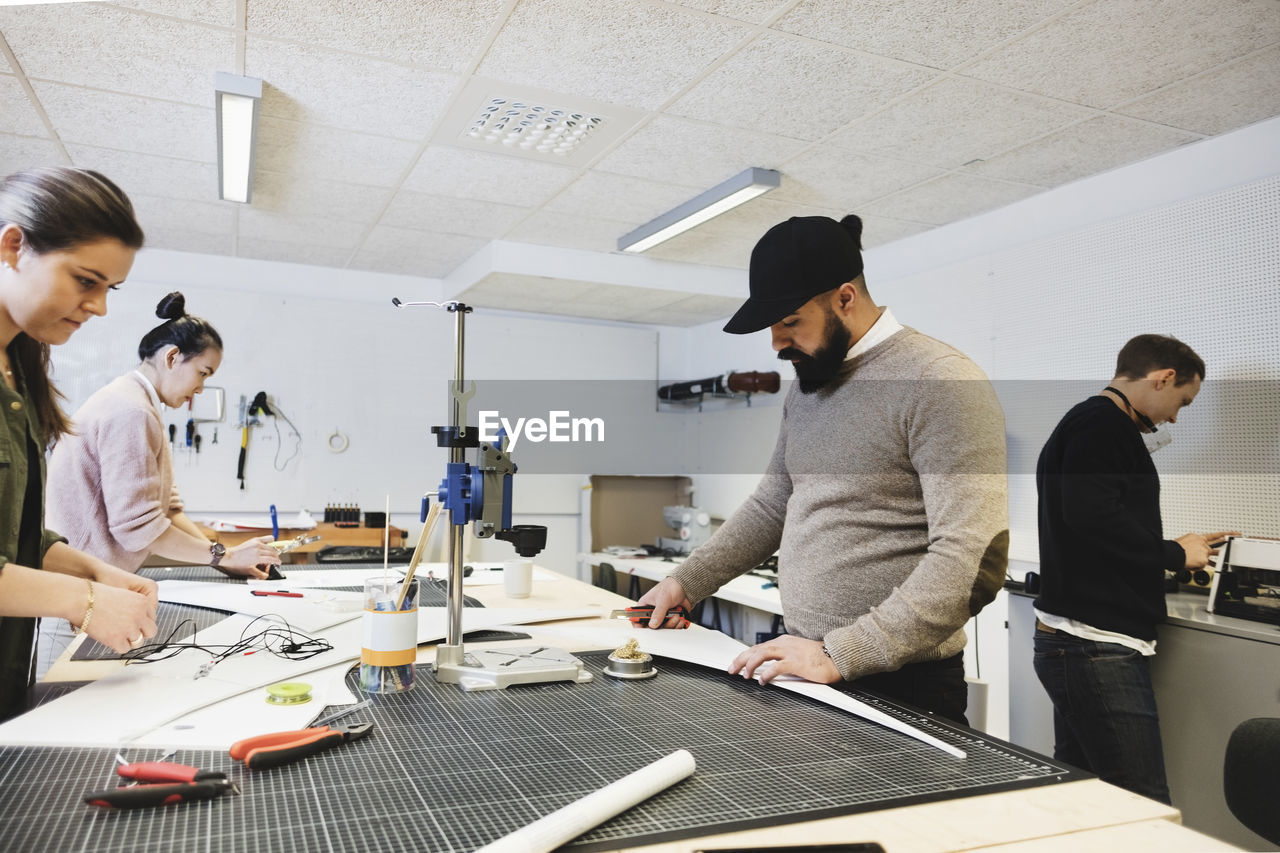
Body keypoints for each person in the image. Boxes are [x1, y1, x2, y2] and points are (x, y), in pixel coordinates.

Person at [639, 215, 1008, 725]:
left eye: (790, 322)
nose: (776, 343)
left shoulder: (939, 382)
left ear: (845, 298)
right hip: (806, 661)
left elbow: (975, 559)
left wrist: (840, 654)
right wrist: (688, 581)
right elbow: (774, 504)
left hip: (900, 681)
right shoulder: (809, 386)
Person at [1032, 333, 1237, 803]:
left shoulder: (1094, 425)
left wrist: (1178, 549)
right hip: (1095, 647)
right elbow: (1092, 518)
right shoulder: (1100, 427)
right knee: (1144, 806)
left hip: (1083, 643)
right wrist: (1172, 554)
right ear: (1164, 378)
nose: (1174, 417)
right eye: (1181, 401)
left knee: (1086, 799)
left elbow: (1098, 516)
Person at [0, 166, 159, 720]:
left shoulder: (21, 366)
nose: (99, 307)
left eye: (108, 289)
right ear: (14, 246)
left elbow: (14, 532)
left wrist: (91, 571)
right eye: (85, 281)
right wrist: (82, 601)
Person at [47, 292, 280, 578]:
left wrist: (223, 559)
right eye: (202, 373)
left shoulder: (139, 404)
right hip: (78, 586)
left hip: (90, 580)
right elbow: (138, 529)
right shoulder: (131, 410)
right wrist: (226, 555)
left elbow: (169, 509)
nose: (200, 389)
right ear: (172, 357)